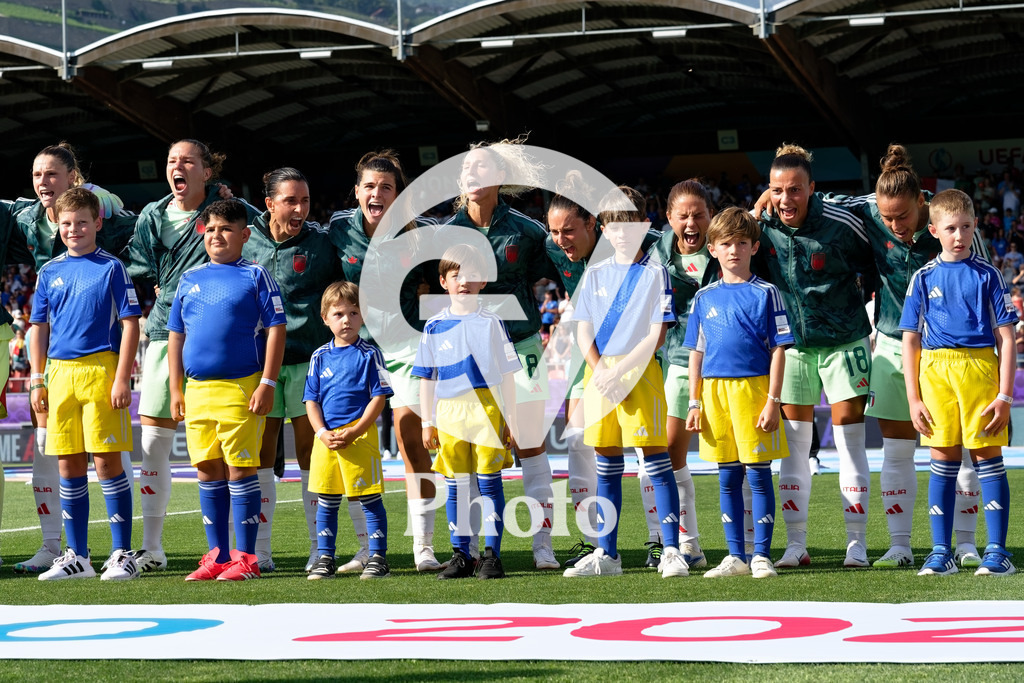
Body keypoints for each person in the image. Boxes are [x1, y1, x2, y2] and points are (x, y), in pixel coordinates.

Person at [806, 145, 987, 569]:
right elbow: (817, 202)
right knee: (897, 451)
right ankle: (900, 546)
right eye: (886, 218)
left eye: (902, 216)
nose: (893, 225)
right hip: (890, 346)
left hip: (951, 355)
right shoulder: (869, 210)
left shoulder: (956, 228)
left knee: (954, 451)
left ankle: (965, 545)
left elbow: (983, 288)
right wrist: (765, 199)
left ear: (922, 201)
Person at [127, 140, 258, 572]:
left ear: (207, 170)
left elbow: (256, 236)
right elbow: (139, 266)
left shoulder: (227, 208)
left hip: (219, 346)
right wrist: (167, 285)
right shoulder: (152, 215)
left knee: (240, 458)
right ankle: (151, 549)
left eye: (187, 161)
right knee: (153, 444)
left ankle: (254, 552)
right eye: (170, 161)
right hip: (166, 332)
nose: (176, 167)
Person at [11, 142, 134, 574]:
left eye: (82, 222)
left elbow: (131, 324)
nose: (74, 229)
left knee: (106, 461)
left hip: (100, 368)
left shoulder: (112, 267)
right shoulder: (48, 271)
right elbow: (38, 327)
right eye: (67, 224)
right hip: (58, 374)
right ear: (57, 227)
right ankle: (77, 556)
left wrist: (122, 377)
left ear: (98, 222)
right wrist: (38, 377)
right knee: (67, 463)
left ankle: (122, 552)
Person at [755, 143, 876, 569]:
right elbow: (727, 245)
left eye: (794, 190)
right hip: (793, 350)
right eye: (776, 190)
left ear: (812, 189)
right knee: (794, 452)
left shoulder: (841, 221)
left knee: (850, 446)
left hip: (845, 342)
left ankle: (856, 544)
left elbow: (875, 255)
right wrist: (755, 213)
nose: (785, 199)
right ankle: (796, 544)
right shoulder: (762, 226)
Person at [443, 139, 558, 570]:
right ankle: (468, 551)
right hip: (465, 357)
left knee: (529, 443)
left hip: (521, 347)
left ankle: (542, 544)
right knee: (467, 453)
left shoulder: (528, 231)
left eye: (482, 168)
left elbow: (558, 273)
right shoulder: (446, 232)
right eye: (466, 167)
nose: (472, 174)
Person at [563, 186, 686, 579]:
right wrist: (601, 371)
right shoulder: (594, 273)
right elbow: (583, 331)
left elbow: (656, 335)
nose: (621, 233)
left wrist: (620, 372)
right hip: (600, 375)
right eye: (613, 225)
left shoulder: (655, 272)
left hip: (640, 373)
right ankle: (607, 554)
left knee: (655, 462)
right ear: (603, 227)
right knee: (607, 466)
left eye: (628, 224)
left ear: (643, 225)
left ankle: (670, 550)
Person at [329, 150, 440, 572]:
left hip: (408, 350)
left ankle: (424, 547)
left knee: (413, 444)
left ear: (399, 194)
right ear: (357, 192)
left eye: (387, 187)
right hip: (355, 353)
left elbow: (441, 281)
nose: (378, 193)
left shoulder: (424, 233)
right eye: (370, 186)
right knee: (353, 447)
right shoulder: (337, 231)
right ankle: (366, 548)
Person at [544, 171, 661, 567]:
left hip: (637, 359)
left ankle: (659, 540)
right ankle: (597, 543)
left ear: (593, 225)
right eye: (555, 233)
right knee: (581, 442)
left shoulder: (649, 254)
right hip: (587, 353)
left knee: (650, 455)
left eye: (569, 231)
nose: (561, 241)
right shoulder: (559, 247)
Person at [167, 199, 286, 581]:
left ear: (245, 235)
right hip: (197, 389)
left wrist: (267, 382)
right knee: (206, 469)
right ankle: (217, 556)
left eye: (227, 229)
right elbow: (175, 336)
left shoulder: (255, 275)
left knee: (240, 469)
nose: (217, 235)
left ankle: (246, 558)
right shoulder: (189, 278)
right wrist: (176, 388)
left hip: (241, 388)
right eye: (212, 228)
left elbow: (276, 329)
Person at [902, 189, 1017, 576]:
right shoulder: (922, 277)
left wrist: (1004, 395)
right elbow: (910, 339)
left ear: (974, 227)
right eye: (950, 228)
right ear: (933, 229)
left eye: (966, 227)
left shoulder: (989, 274)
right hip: (936, 372)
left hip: (980, 368)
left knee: (987, 458)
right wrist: (913, 398)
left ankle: (998, 551)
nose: (959, 235)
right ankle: (940, 551)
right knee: (942, 459)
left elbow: (1006, 337)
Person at [242, 168, 346, 573]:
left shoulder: (322, 243)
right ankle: (262, 553)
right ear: (270, 203)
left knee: (311, 457)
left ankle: (319, 550)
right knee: (262, 457)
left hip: (308, 361)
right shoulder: (245, 240)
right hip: (258, 368)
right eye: (290, 201)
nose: (300, 208)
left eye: (304, 200)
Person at [684, 207, 792, 579]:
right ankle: (735, 556)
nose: (734, 250)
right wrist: (694, 402)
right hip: (714, 394)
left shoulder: (767, 293)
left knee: (759, 474)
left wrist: (772, 401)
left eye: (742, 243)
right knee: (727, 475)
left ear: (754, 247)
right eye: (726, 243)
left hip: (754, 390)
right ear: (712, 248)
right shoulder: (703, 298)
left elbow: (779, 349)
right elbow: (695, 353)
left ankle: (761, 554)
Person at [413, 244, 520, 580]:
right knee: (457, 485)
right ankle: (461, 554)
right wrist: (427, 422)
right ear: (443, 281)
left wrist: (512, 421)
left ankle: (491, 555)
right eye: (456, 275)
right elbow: (426, 378)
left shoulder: (492, 322)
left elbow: (507, 377)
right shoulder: (433, 325)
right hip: (448, 412)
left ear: (483, 282)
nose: (464, 282)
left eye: (471, 276)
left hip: (486, 408)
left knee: (489, 483)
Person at [645, 178, 720, 569]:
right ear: (669, 218)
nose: (692, 223)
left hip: (728, 364)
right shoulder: (654, 252)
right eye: (683, 216)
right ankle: (687, 542)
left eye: (699, 214)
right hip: (677, 361)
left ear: (711, 216)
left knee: (735, 455)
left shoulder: (728, 242)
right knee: (672, 454)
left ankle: (749, 547)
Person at [304, 281, 393, 580]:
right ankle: (325, 557)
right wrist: (320, 432)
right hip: (327, 440)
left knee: (369, 499)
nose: (347, 320)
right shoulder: (319, 357)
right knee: (327, 502)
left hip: (360, 438)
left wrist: (356, 431)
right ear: (325, 317)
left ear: (363, 316)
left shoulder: (370, 354)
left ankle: (378, 557)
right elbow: (311, 401)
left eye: (354, 313)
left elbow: (378, 398)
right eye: (339, 313)